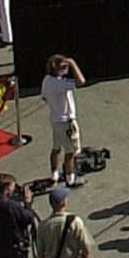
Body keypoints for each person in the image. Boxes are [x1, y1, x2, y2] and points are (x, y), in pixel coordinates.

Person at [44, 53, 88, 185]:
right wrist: (73, 63)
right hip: (66, 122)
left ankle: (54, 175)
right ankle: (70, 179)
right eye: (64, 66)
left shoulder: (46, 80)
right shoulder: (60, 83)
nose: (67, 67)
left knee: (56, 148)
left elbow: (44, 97)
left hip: (55, 119)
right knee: (70, 152)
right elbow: (81, 81)